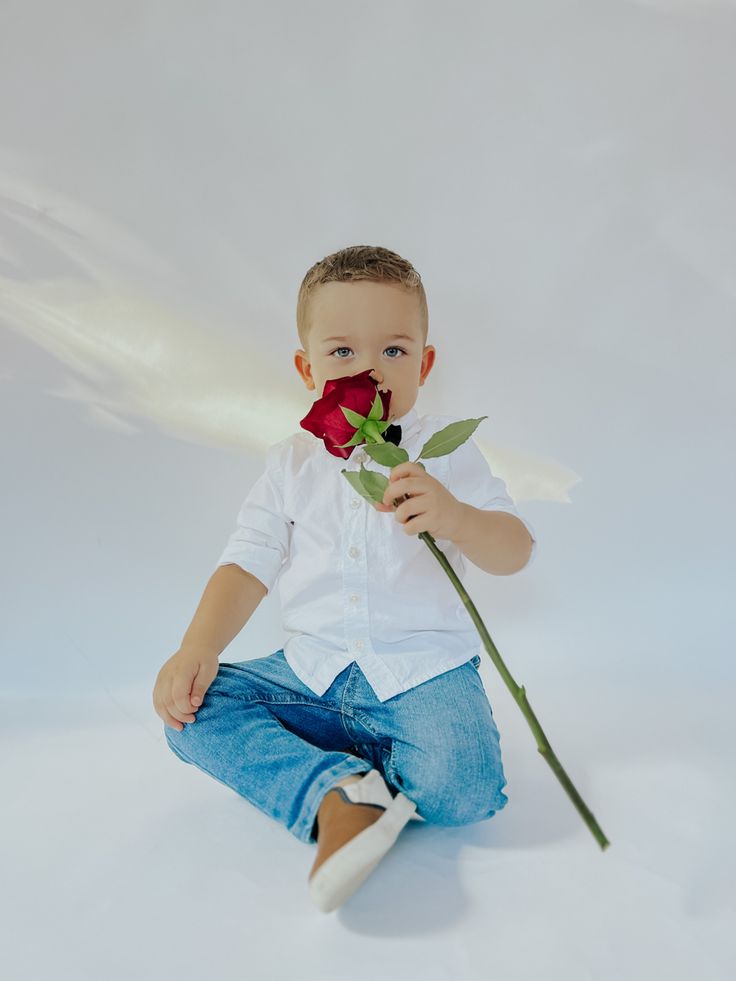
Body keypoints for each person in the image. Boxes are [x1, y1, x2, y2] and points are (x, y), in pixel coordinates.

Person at [152, 244, 537, 913]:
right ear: (307, 368)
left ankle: (386, 770)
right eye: (342, 353)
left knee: (465, 792)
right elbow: (247, 561)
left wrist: (456, 516)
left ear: (425, 361)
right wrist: (198, 647)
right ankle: (339, 790)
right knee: (189, 715)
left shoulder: (447, 453)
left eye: (393, 351)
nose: (370, 370)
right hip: (313, 673)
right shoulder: (292, 462)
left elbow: (515, 549)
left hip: (420, 670)